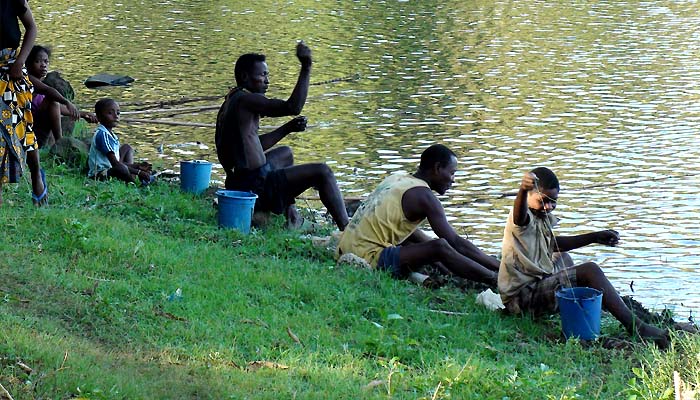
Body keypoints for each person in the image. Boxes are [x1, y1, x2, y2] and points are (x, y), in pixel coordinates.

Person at [498, 167, 669, 348]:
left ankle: (576, 306)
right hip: (520, 301)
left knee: (562, 257)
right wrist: (523, 189)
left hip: (534, 286)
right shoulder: (521, 219)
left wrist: (594, 237)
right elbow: (519, 214)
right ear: (527, 197)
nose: (549, 207)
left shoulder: (541, 215)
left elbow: (554, 244)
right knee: (590, 270)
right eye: (543, 201)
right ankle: (637, 327)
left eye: (553, 202)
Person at [215, 41, 348, 230]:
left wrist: (287, 129)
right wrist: (306, 66)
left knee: (286, 153)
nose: (267, 81)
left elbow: (252, 146)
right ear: (245, 77)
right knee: (322, 172)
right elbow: (293, 107)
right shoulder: (247, 100)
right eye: (262, 75)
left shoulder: (233, 98)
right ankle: (348, 230)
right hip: (253, 186)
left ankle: (292, 214)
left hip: (241, 179)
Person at [337, 144, 500, 286]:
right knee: (440, 246)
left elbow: (405, 230)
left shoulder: (398, 178)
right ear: (437, 169)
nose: (453, 180)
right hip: (366, 258)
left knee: (420, 239)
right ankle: (495, 280)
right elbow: (456, 242)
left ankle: (449, 268)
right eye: (451, 173)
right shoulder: (425, 196)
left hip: (345, 248)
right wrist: (498, 266)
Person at [0, 0, 46, 206]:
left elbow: (32, 28)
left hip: (12, 70)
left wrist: (20, 61)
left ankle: (36, 175)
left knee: (25, 131)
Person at [26, 45, 96, 148]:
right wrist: (67, 102)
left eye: (46, 62)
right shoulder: (28, 79)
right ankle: (60, 142)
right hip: (31, 126)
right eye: (38, 61)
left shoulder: (41, 84)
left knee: (54, 102)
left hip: (39, 125)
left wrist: (83, 114)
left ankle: (57, 142)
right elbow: (49, 92)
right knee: (53, 100)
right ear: (29, 64)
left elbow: (58, 109)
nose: (43, 65)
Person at [87, 98, 152, 184]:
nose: (116, 116)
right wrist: (138, 172)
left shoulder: (111, 135)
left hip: (112, 166)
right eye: (110, 113)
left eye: (118, 113)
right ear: (99, 117)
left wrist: (138, 166)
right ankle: (133, 183)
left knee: (127, 148)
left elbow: (118, 162)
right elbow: (116, 164)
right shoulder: (102, 135)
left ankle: (131, 176)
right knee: (121, 168)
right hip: (100, 174)